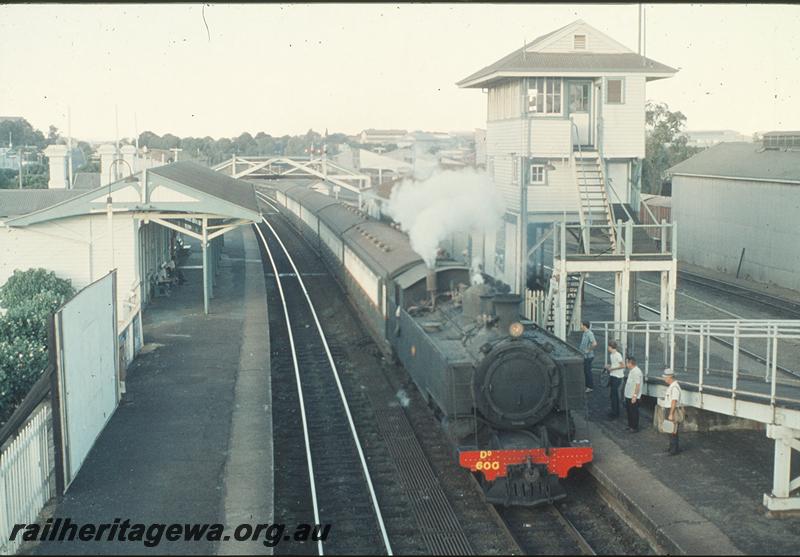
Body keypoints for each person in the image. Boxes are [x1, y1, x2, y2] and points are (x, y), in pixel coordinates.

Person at [659, 368, 683, 455]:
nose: (664, 379)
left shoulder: (675, 387)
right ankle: (672, 447)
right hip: (669, 409)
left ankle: (674, 450)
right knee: (670, 429)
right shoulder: (672, 386)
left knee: (673, 430)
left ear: (670, 377)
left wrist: (671, 414)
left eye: (665, 377)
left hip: (672, 410)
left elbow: (674, 401)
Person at [604, 341, 625, 419]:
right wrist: (609, 366)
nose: (607, 348)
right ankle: (614, 411)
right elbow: (615, 364)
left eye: (608, 347)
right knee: (612, 395)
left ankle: (615, 413)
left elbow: (622, 365)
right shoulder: (611, 355)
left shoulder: (618, 355)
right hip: (613, 375)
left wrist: (612, 368)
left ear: (611, 347)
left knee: (614, 395)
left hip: (617, 377)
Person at [623, 355, 643, 432]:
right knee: (629, 411)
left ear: (630, 363)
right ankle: (630, 425)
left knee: (633, 412)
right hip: (629, 395)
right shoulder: (632, 371)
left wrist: (635, 396)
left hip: (633, 396)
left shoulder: (637, 372)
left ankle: (634, 427)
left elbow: (638, 385)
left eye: (627, 363)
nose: (626, 364)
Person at [578, 321, 597, 393]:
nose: (580, 326)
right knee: (585, 371)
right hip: (584, 356)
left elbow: (594, 343)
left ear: (584, 326)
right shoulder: (584, 333)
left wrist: (588, 350)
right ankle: (587, 385)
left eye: (581, 325)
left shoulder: (589, 333)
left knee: (587, 371)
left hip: (588, 356)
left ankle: (590, 386)